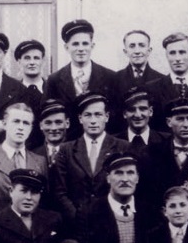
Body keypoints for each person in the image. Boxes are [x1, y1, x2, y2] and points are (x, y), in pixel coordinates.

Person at [51, 92, 130, 230]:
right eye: (88, 115)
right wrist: (78, 218)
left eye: (98, 114)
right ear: (80, 118)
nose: (93, 120)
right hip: (76, 226)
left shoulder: (122, 147)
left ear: (106, 117)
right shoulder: (66, 149)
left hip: (112, 223)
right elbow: (60, 192)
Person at [44, 19, 118, 138]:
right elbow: (48, 116)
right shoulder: (54, 80)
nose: (81, 49)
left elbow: (115, 117)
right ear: (66, 47)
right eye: (75, 44)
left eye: (85, 43)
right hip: (68, 143)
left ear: (92, 46)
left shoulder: (110, 77)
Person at [115, 29, 164, 97]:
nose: (137, 51)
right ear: (125, 52)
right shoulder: (115, 79)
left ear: (149, 51)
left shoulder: (162, 80)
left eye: (141, 45)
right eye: (132, 46)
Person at [31, 99, 70, 169]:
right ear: (41, 126)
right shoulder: (32, 155)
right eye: (48, 123)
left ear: (67, 123)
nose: (53, 128)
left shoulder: (78, 153)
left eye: (58, 122)